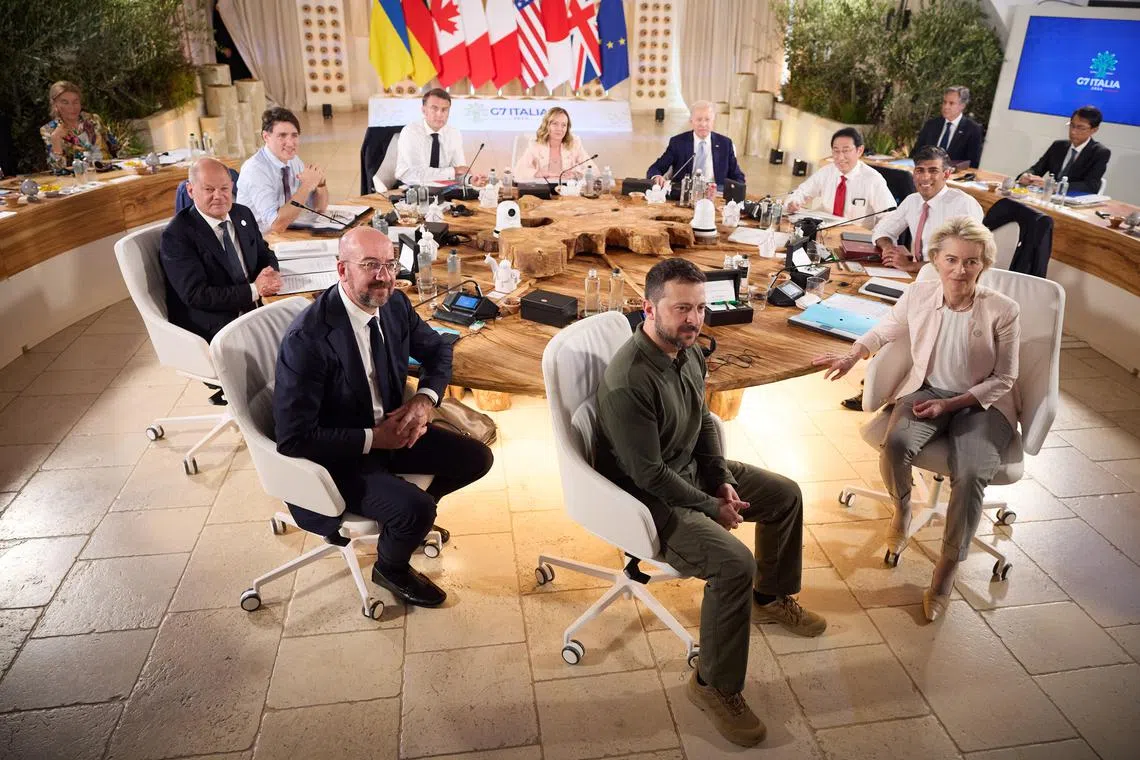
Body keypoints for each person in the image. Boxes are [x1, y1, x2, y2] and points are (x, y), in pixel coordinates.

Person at [595, 258, 826, 747]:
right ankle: (714, 686)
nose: (694, 319)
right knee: (732, 564)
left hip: (691, 471)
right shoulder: (628, 380)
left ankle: (771, 595)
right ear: (648, 308)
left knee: (784, 494)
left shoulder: (690, 351)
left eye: (700, 308)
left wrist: (720, 481)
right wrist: (708, 506)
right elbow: (647, 474)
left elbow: (702, 422)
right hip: (652, 500)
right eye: (681, 308)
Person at [274, 226, 493, 608]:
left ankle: (403, 524)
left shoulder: (393, 305)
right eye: (371, 265)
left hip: (393, 431)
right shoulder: (307, 340)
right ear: (342, 270)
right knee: (416, 509)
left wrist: (424, 400)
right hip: (340, 455)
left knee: (477, 458)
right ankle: (391, 566)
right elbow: (293, 439)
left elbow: (439, 351)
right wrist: (375, 439)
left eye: (390, 264)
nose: (385, 277)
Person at [813, 217, 1019, 623]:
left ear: (984, 265)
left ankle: (946, 570)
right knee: (895, 445)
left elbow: (1006, 378)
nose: (960, 270)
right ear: (936, 261)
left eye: (971, 262)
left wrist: (954, 404)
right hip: (927, 390)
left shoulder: (1004, 310)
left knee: (973, 469)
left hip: (980, 402)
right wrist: (852, 355)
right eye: (952, 260)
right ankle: (902, 509)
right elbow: (884, 329)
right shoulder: (920, 293)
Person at [160, 158, 281, 343]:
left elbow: (264, 253)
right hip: (214, 323)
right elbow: (196, 295)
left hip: (256, 307)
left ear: (232, 186)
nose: (218, 196)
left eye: (224, 188)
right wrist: (254, 290)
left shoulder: (242, 214)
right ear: (191, 190)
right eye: (209, 189)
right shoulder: (177, 235)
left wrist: (271, 273)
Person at [871, 146, 984, 275]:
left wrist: (912, 266)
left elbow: (963, 258)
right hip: (918, 275)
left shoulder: (964, 204)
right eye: (920, 171)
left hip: (951, 280)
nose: (925, 177)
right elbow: (882, 230)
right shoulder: (912, 201)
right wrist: (888, 248)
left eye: (933, 171)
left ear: (946, 174)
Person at [236, 107, 329, 233]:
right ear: (266, 137)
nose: (290, 143)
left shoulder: (294, 160)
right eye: (282, 136)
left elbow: (319, 208)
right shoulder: (255, 170)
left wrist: (320, 183)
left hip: (287, 232)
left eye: (294, 136)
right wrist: (306, 185)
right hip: (260, 241)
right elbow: (276, 224)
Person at [786, 127, 895, 220]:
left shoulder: (873, 179)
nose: (840, 157)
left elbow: (889, 216)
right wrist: (793, 202)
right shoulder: (826, 172)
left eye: (846, 151)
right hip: (824, 231)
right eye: (836, 151)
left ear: (859, 150)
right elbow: (802, 192)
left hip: (855, 238)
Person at [646, 101, 745, 190]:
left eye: (707, 120)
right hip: (684, 194)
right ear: (691, 121)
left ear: (713, 121)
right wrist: (656, 177)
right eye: (699, 120)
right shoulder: (678, 142)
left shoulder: (725, 144)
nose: (703, 124)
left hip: (715, 194)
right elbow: (655, 168)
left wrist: (734, 191)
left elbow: (738, 177)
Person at [396, 88, 484, 186]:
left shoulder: (454, 134)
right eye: (434, 108)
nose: (440, 114)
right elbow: (419, 173)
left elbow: (458, 172)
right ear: (424, 110)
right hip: (410, 187)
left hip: (442, 188)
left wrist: (470, 180)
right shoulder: (410, 132)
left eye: (444, 110)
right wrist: (454, 171)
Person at [1018, 105, 1110, 194]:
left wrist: (1055, 186)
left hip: (1071, 202)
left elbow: (1091, 186)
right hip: (1047, 197)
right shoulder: (1058, 146)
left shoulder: (1100, 153)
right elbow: (1037, 169)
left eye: (1080, 128)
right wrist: (1027, 176)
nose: (1073, 131)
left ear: (1094, 130)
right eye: (1072, 125)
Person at [40, 81, 120, 172]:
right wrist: (56, 139)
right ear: (55, 104)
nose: (72, 107)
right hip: (79, 180)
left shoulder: (93, 120)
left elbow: (115, 148)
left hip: (110, 172)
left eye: (75, 102)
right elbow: (57, 169)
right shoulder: (48, 130)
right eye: (65, 102)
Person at [512, 107, 595, 181]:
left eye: (563, 125)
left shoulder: (574, 143)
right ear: (547, 125)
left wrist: (575, 174)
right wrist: (537, 173)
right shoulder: (535, 144)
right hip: (544, 191)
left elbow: (594, 170)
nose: (559, 129)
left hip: (569, 191)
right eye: (555, 124)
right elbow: (518, 171)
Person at [911, 86, 984, 169]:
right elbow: (916, 153)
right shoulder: (931, 124)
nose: (946, 107)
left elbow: (973, 163)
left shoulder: (972, 129)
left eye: (951, 103)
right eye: (944, 102)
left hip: (953, 177)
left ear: (962, 106)